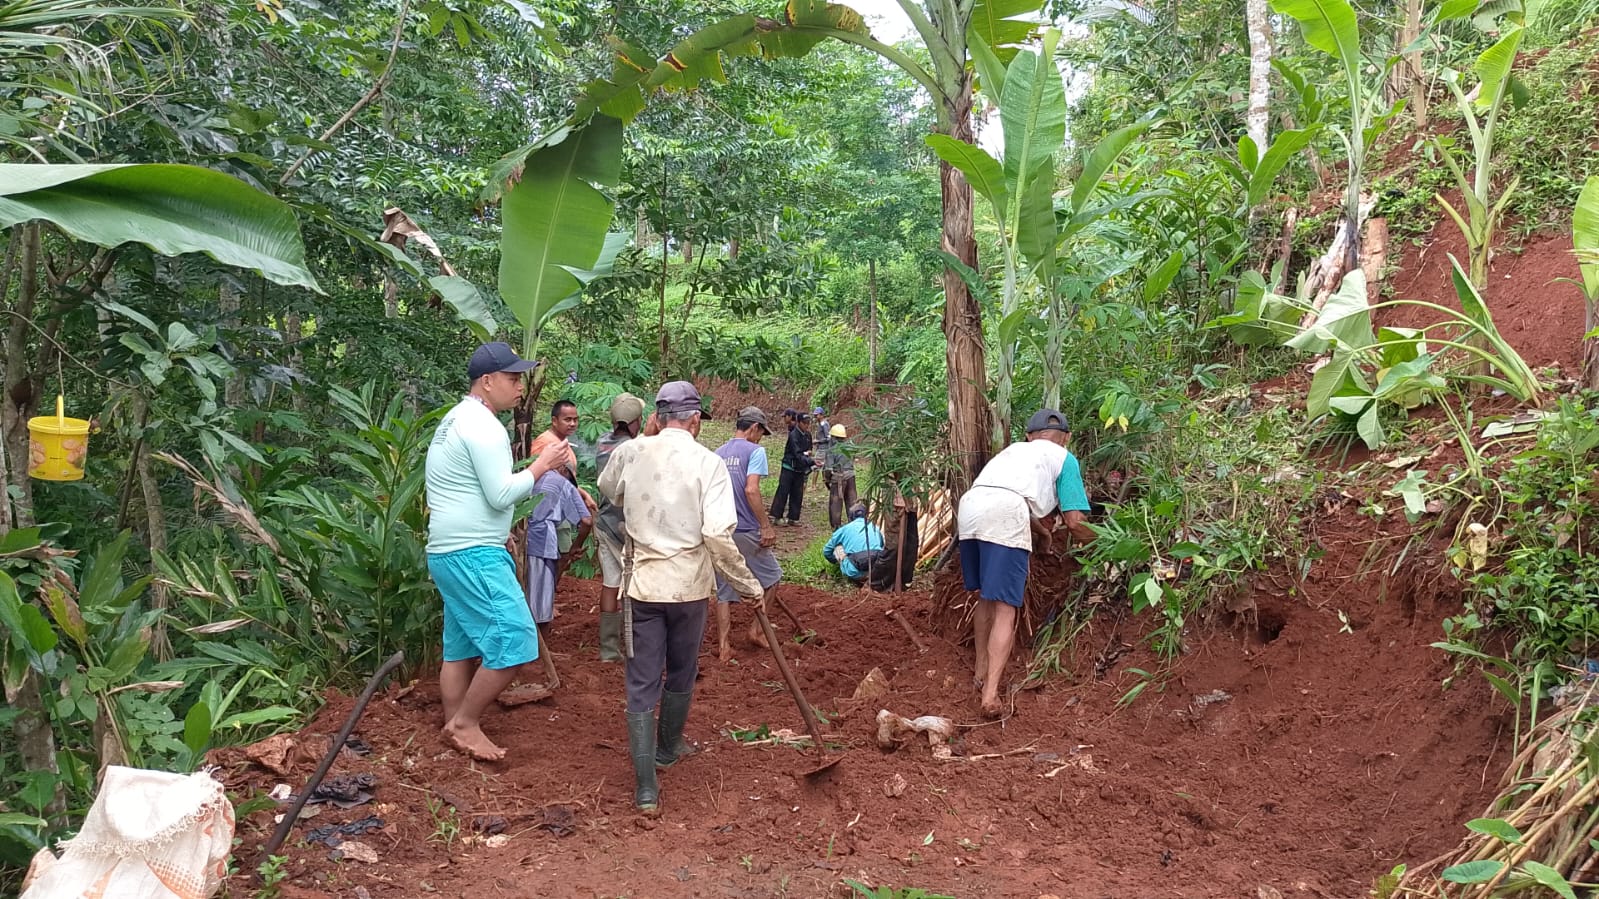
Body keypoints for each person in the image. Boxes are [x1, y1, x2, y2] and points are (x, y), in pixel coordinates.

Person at [597, 381, 764, 815]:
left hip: (643, 587)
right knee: (682, 670)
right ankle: (667, 748)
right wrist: (749, 586)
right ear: (694, 420)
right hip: (688, 589)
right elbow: (716, 536)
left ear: (656, 417)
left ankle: (646, 788)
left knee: (640, 681)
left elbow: (609, 490)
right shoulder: (707, 464)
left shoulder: (631, 451)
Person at [425, 341, 573, 761]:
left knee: (460, 645)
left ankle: (453, 726)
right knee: (516, 641)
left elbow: (461, 490)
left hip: (447, 550)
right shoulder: (485, 426)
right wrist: (542, 465)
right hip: (472, 553)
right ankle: (466, 723)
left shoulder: (454, 421)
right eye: (512, 378)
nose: (520, 386)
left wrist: (497, 530)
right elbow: (499, 493)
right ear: (487, 382)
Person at [956, 408, 1094, 719]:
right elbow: (1074, 522)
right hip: (1006, 513)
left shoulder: (1014, 453)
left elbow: (1014, 500)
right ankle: (990, 695)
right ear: (1067, 439)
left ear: (1030, 436)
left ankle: (980, 670)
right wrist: (1103, 545)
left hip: (970, 507)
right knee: (1007, 607)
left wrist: (1043, 537)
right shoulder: (1064, 458)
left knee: (986, 597)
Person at [713, 407, 782, 662]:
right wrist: (765, 525)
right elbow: (751, 490)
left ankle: (723, 647)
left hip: (721, 530)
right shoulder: (756, 452)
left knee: (724, 590)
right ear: (754, 428)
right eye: (761, 432)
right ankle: (755, 631)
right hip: (745, 529)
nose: (761, 438)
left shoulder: (717, 453)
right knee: (772, 578)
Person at [593, 392, 645, 661]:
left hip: (604, 523)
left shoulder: (602, 443)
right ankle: (635, 644)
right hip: (627, 527)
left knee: (611, 583)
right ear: (636, 422)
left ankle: (608, 649)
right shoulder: (635, 449)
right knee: (635, 584)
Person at [822, 502, 886, 585]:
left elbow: (827, 551)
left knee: (838, 547)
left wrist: (835, 561)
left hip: (854, 571)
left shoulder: (844, 529)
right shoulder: (875, 527)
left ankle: (853, 575)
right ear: (866, 515)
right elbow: (881, 545)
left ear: (851, 517)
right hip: (877, 570)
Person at [768, 408, 813, 526]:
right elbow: (797, 453)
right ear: (799, 422)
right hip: (789, 467)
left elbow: (809, 449)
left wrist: (808, 459)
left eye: (808, 423)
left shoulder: (808, 435)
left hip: (800, 468)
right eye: (805, 423)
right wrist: (810, 460)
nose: (807, 426)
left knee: (797, 493)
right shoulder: (793, 435)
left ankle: (793, 517)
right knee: (783, 491)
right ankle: (776, 516)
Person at [823, 423, 858, 529]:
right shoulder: (851, 446)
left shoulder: (831, 450)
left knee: (836, 503)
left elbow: (828, 469)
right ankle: (854, 523)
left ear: (834, 437)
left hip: (838, 478)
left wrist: (827, 480)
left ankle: (836, 525)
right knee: (852, 500)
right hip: (851, 476)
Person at [810, 406, 832, 487]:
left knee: (816, 466)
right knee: (823, 466)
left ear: (822, 415)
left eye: (817, 415)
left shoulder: (824, 424)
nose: (815, 417)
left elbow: (828, 438)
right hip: (821, 448)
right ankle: (825, 482)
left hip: (823, 449)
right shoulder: (820, 424)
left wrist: (818, 441)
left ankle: (813, 485)